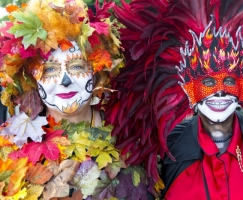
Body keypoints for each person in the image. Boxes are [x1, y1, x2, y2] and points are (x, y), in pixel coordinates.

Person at [106, 0, 243, 199]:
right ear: (186, 87)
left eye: (229, 80)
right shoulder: (165, 154)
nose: (220, 92)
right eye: (207, 82)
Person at [0, 0, 148, 199]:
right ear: (32, 80)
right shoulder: (10, 145)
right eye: (50, 69)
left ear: (97, 73)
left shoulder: (130, 138)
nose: (65, 81)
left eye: (77, 66)